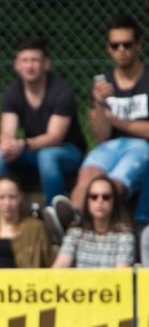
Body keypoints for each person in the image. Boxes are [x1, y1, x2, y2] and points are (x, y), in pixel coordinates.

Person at [45, 14, 149, 237]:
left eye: (127, 44)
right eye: (115, 45)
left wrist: (119, 122)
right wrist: (99, 105)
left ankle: (85, 228)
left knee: (114, 181)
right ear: (108, 49)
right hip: (111, 145)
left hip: (141, 146)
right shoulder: (104, 83)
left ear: (139, 45)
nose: (121, 50)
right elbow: (102, 135)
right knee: (89, 173)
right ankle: (71, 221)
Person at [0, 35, 86, 243]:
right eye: (24, 60)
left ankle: (55, 221)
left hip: (67, 152)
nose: (30, 66)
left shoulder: (61, 91)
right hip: (33, 151)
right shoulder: (13, 92)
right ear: (16, 65)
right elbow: (7, 130)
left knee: (47, 157)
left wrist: (23, 144)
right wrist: (8, 145)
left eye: (35, 60)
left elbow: (54, 136)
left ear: (46, 64)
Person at [0, 172, 52, 268]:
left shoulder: (36, 228)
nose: (7, 203)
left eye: (12, 197)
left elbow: (47, 261)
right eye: (1, 197)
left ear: (20, 197)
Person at [52, 175, 135, 268]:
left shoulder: (124, 236)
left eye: (106, 197)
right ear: (87, 201)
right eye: (94, 197)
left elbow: (121, 275)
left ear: (114, 201)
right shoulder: (76, 233)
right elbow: (59, 267)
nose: (100, 201)